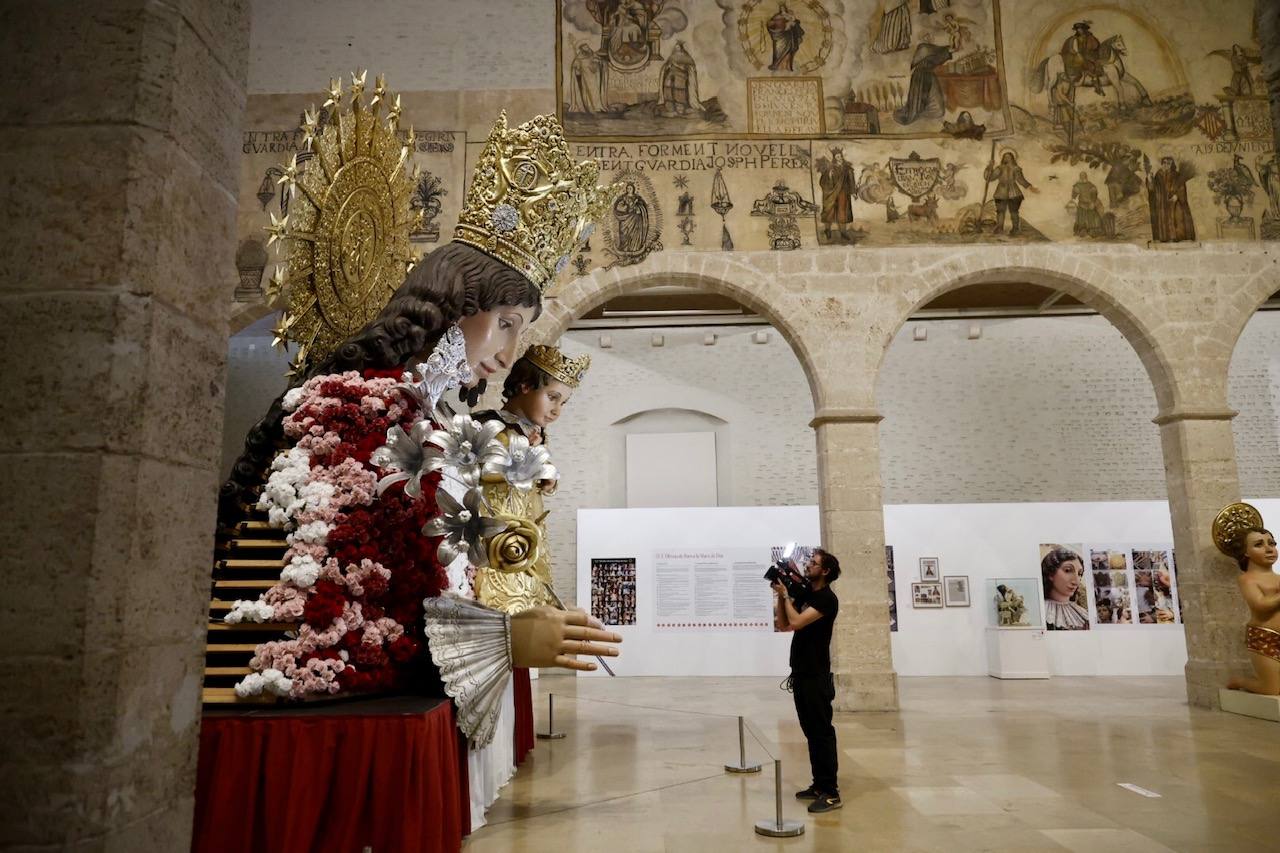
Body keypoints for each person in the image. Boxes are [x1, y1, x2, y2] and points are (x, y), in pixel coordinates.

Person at [471, 344, 590, 615]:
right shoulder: (488, 425)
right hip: (494, 541)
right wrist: (520, 467)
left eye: (563, 402)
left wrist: (548, 478)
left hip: (528, 541)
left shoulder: (535, 434)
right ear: (525, 386)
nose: (557, 410)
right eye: (552, 397)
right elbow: (473, 473)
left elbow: (539, 475)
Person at [772, 549, 842, 814]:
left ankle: (831, 792)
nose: (807, 565)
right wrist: (782, 598)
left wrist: (787, 596)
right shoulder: (809, 596)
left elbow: (799, 622)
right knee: (811, 732)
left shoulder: (826, 599)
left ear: (825, 571)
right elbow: (784, 624)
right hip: (801, 674)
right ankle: (819, 784)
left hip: (816, 675)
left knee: (822, 733)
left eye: (813, 563)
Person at [1226, 527, 1280, 695]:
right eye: (1259, 544)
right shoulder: (1247, 579)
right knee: (1271, 689)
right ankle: (1240, 681)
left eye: (1272, 543)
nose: (1269, 549)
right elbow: (1260, 605)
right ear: (1246, 552)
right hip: (1265, 636)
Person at [984, 151, 1036, 235]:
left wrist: (1030, 187)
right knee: (1000, 211)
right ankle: (999, 228)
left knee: (1014, 212)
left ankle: (1015, 229)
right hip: (1000, 193)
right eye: (1005, 157)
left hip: (1014, 194)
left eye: (1009, 157)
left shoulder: (1016, 168)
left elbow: (1021, 180)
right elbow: (989, 178)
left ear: (1012, 158)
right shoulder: (999, 168)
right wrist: (989, 167)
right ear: (1003, 158)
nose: (1006, 158)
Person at [1146, 156, 1196, 242]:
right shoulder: (1158, 174)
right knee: (1164, 220)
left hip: (1175, 203)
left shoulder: (1176, 175)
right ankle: (1165, 238)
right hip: (1162, 203)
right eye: (1164, 163)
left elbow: (1181, 187)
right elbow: (1153, 189)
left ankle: (1177, 238)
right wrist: (1150, 180)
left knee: (1177, 219)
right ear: (1162, 164)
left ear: (1171, 165)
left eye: (1168, 163)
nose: (1166, 165)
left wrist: (1176, 196)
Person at [1041, 546, 1090, 630]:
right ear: (1051, 574)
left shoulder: (1082, 614)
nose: (1076, 581)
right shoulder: (1041, 610)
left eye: (1079, 574)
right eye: (1068, 570)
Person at [818, 148, 858, 242]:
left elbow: (851, 181)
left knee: (842, 212)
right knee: (829, 211)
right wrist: (829, 175)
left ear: (842, 156)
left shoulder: (847, 168)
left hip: (843, 193)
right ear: (834, 158)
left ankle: (843, 232)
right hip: (831, 193)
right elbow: (822, 181)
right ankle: (828, 230)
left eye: (840, 156)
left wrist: (853, 192)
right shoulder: (829, 168)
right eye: (837, 156)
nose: (839, 158)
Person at [1071, 171, 1105, 237]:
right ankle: (1082, 231)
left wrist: (1093, 202)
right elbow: (1074, 195)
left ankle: (1092, 231)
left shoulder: (1088, 185)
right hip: (1083, 205)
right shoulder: (1088, 185)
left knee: (1093, 219)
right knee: (1082, 219)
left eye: (1082, 176)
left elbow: (1094, 195)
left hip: (1089, 205)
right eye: (1082, 176)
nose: (1082, 177)